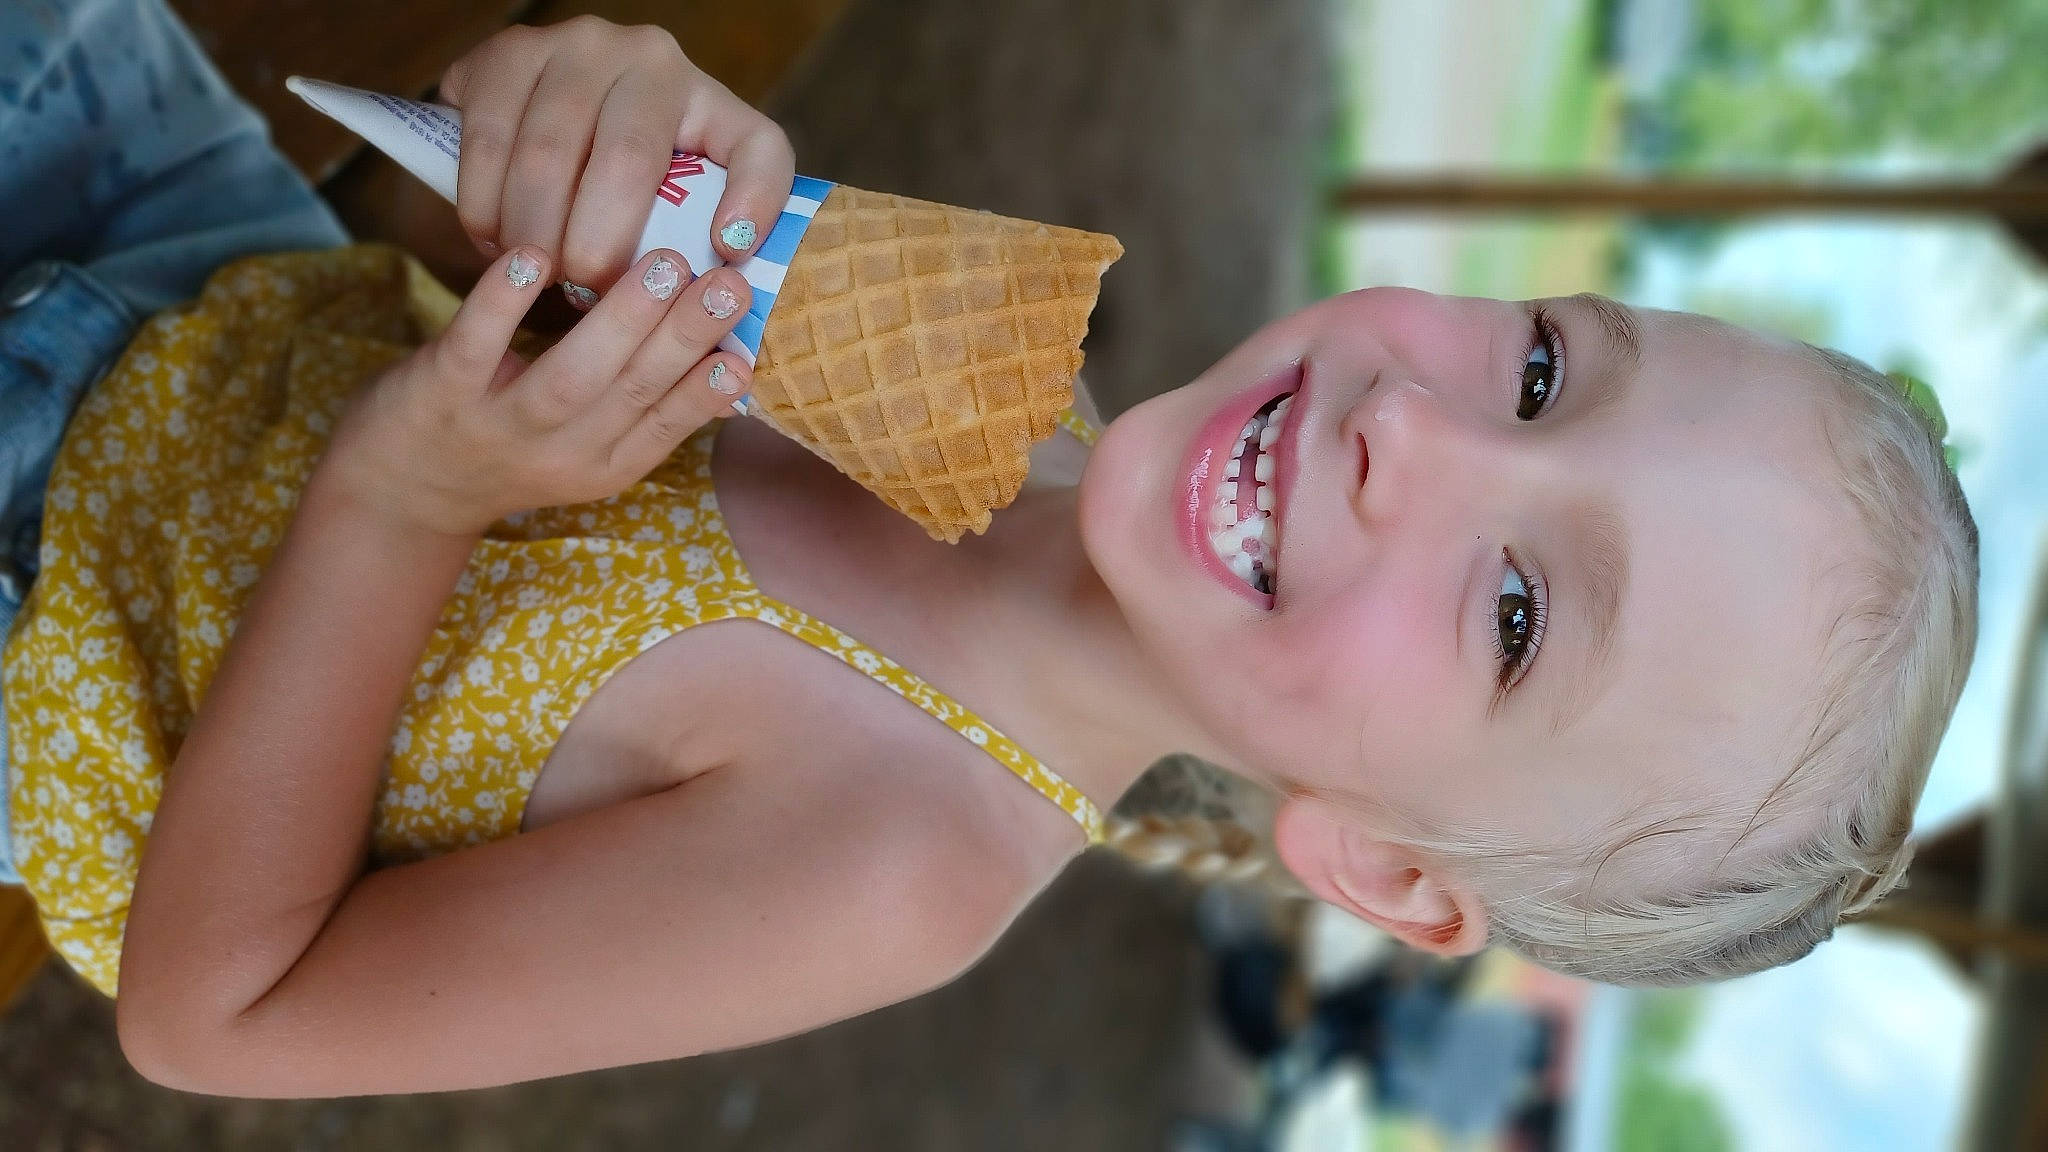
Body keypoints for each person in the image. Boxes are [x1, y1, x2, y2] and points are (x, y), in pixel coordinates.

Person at [0, 2, 1978, 1097]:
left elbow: (217, 1010)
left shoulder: (903, 864)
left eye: (1522, 614)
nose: (1419, 436)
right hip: (194, 242)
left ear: (1383, 868)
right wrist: (566, 126)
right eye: (1543, 374)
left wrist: (407, 504)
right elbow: (472, 248)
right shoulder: (1003, 395)